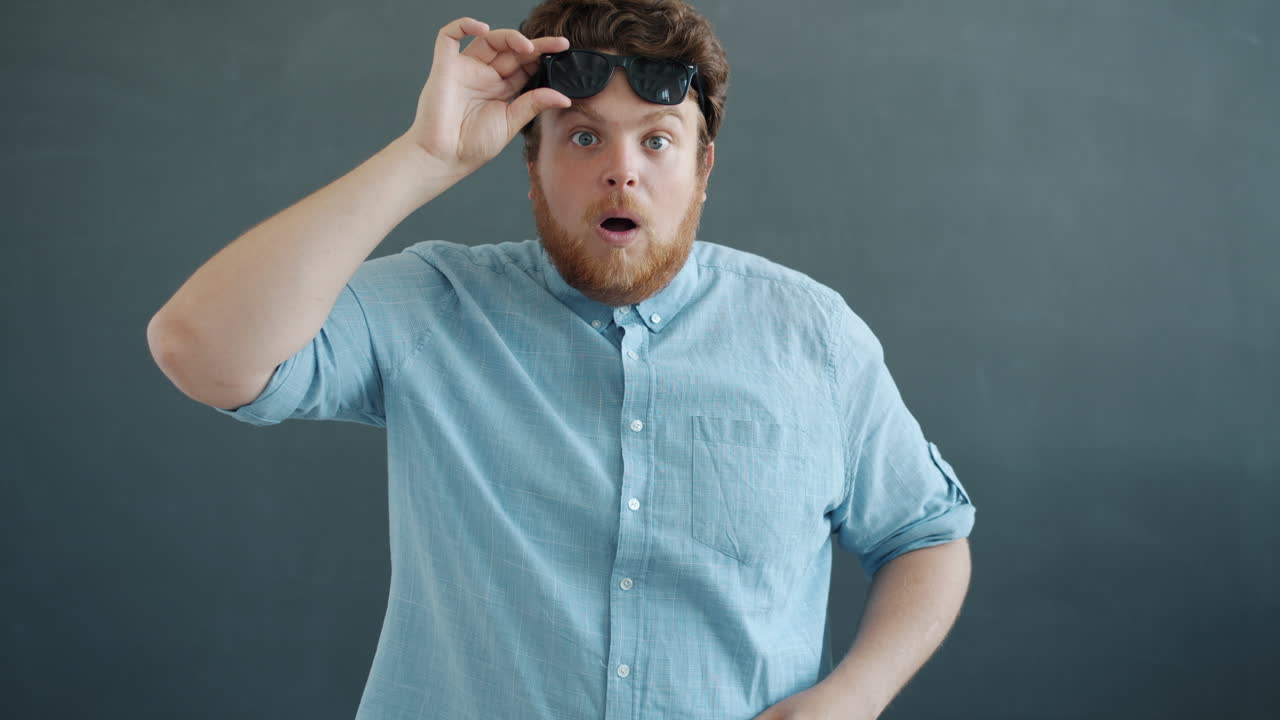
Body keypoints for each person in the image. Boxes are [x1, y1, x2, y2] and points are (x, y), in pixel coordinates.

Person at [146, 1, 976, 718]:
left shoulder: (815, 337)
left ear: (702, 169)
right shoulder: (435, 305)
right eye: (583, 138)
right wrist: (425, 158)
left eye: (658, 141)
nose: (621, 171)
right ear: (532, 164)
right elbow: (200, 349)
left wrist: (854, 696)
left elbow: (926, 535)